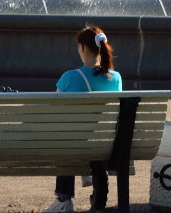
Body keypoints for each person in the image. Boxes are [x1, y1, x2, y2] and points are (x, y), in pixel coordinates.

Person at [42, 26, 122, 213]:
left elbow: (54, 113)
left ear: (82, 48)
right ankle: (99, 196)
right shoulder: (116, 78)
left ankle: (64, 199)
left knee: (66, 136)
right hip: (106, 145)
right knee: (91, 138)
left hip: (75, 145)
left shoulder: (69, 77)